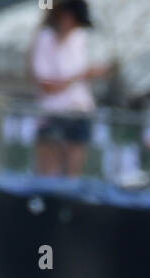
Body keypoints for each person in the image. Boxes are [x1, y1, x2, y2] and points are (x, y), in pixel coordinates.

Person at [30, 0, 110, 177]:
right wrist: (80, 76)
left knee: (73, 171)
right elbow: (46, 84)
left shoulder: (81, 39)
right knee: (48, 171)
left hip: (79, 111)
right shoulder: (45, 39)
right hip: (53, 112)